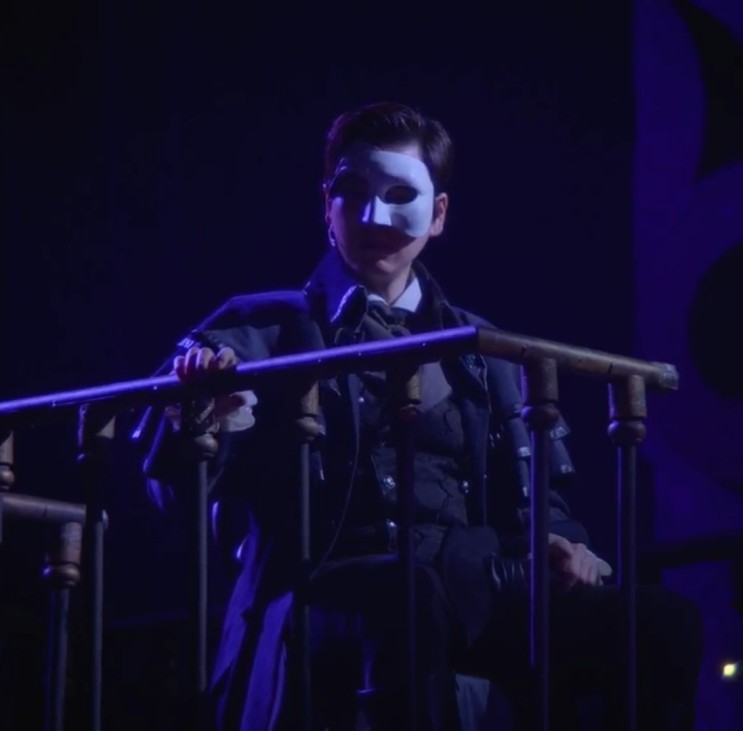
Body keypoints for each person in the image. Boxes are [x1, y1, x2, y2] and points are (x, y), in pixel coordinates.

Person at [143, 101, 703, 730]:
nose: (373, 216)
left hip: (471, 589)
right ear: (326, 204)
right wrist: (201, 415)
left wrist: (563, 544)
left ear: (437, 214)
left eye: (399, 195)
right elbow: (177, 489)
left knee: (661, 624)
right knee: (405, 594)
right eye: (353, 193)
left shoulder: (480, 347)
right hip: (324, 594)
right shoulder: (262, 327)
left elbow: (536, 493)